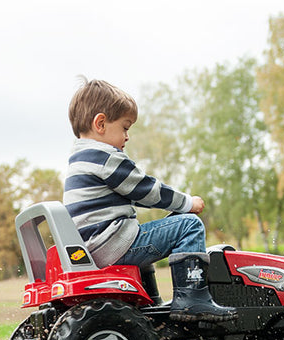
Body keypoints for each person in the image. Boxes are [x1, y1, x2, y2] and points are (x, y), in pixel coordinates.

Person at [63, 78, 237, 323]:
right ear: (100, 123)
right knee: (189, 224)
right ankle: (192, 300)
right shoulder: (105, 157)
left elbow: (135, 195)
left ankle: (149, 303)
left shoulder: (80, 159)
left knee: (167, 224)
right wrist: (188, 203)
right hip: (113, 244)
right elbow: (147, 190)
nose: (128, 136)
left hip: (97, 246)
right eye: (125, 127)